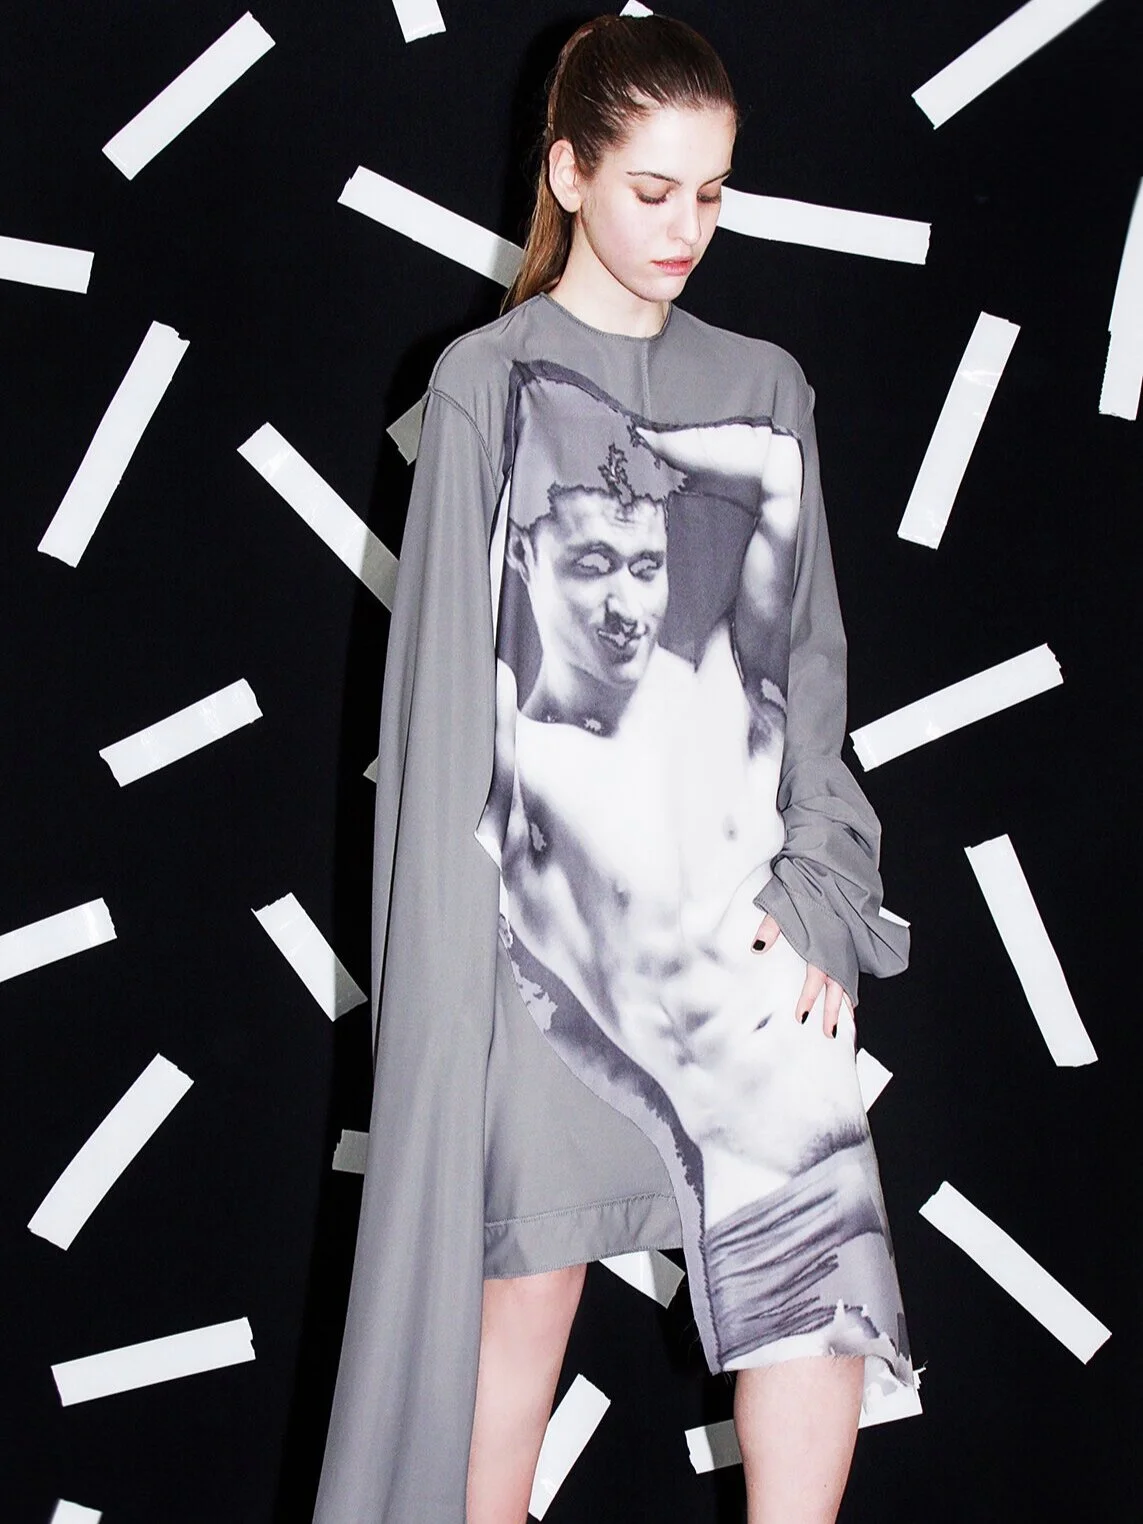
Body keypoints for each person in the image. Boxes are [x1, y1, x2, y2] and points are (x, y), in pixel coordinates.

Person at [312, 16, 913, 1524]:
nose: (685, 227)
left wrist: (821, 893)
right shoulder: (485, 384)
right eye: (651, 189)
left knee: (821, 1298)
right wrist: (439, 1031)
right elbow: (443, 725)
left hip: (744, 930)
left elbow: (809, 679)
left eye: (710, 191)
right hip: (535, 952)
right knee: (509, 1343)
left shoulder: (766, 387)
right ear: (568, 173)